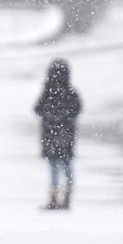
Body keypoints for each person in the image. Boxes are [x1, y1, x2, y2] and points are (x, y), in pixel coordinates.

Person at [34, 58, 81, 210]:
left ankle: (54, 199)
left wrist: (51, 116)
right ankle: (67, 197)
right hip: (66, 134)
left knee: (54, 167)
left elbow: (37, 109)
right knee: (67, 166)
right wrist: (64, 117)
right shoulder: (70, 92)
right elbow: (77, 109)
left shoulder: (48, 92)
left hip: (50, 134)